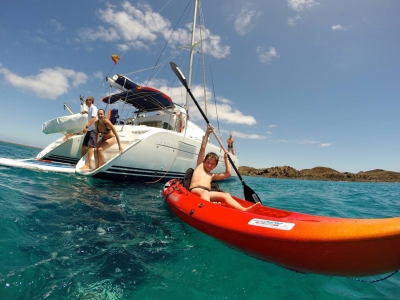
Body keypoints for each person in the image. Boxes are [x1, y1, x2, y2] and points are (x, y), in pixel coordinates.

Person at [189, 124, 260, 212]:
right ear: (204, 161)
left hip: (207, 193)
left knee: (226, 195)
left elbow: (228, 174)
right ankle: (207, 210)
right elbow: (203, 148)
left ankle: (243, 210)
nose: (209, 165)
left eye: (212, 164)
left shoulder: (212, 175)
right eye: (208, 162)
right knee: (205, 193)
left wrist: (226, 159)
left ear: (215, 166)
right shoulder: (200, 165)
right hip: (196, 190)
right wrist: (207, 133)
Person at [80, 96, 98, 170]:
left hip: (93, 129)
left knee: (90, 146)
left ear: (90, 101)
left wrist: (86, 127)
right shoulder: (90, 109)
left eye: (87, 100)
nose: (86, 101)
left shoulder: (94, 108)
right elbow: (91, 114)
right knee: (84, 145)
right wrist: (86, 111)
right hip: (89, 130)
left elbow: (93, 118)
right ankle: (82, 163)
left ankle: (88, 164)